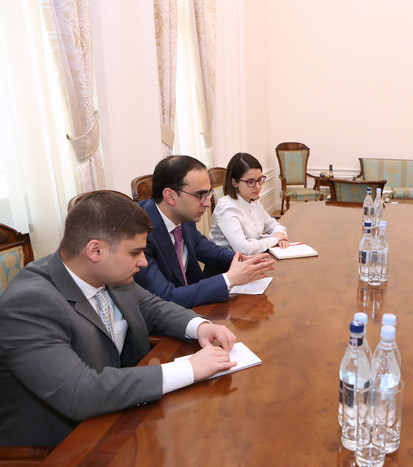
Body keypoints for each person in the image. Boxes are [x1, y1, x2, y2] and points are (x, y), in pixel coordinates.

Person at [0, 192, 238, 447]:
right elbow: (79, 392)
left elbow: (151, 306)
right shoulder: (29, 303)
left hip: (121, 413)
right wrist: (189, 368)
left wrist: (199, 326)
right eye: (135, 252)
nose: (143, 262)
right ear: (95, 250)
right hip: (64, 442)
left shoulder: (105, 273)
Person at [134, 155, 275, 309]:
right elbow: (166, 296)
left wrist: (243, 260)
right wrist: (228, 279)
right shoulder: (138, 232)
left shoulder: (184, 217)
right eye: (200, 195)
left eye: (208, 194)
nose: (208, 203)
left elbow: (209, 250)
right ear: (170, 196)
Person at [209, 152, 289, 255]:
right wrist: (275, 239)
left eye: (260, 180)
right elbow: (244, 249)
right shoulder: (226, 208)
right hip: (229, 263)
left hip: (252, 259)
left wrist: (281, 237)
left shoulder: (253, 201)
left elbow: (274, 226)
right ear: (234, 182)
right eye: (251, 182)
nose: (258, 186)